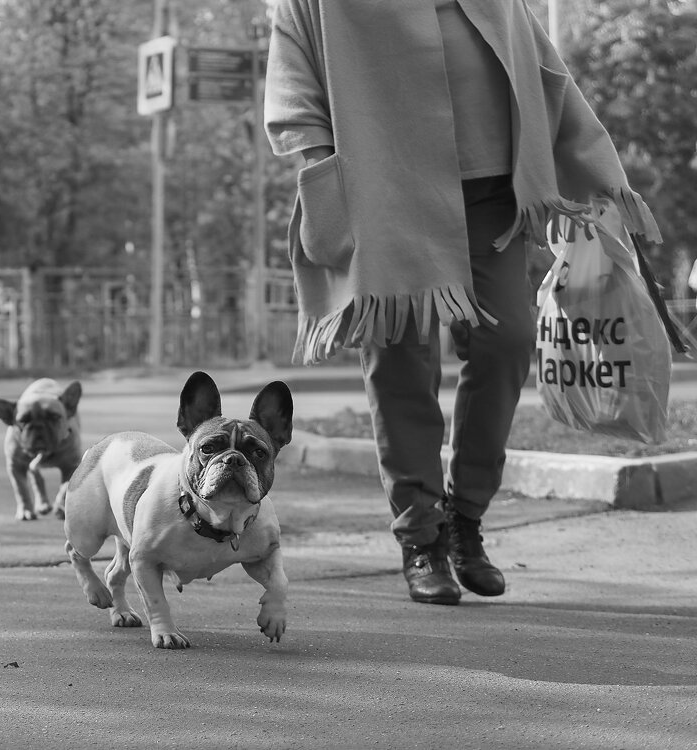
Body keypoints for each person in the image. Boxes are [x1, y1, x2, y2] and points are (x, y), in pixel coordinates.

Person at [263, 0, 661, 604]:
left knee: (507, 343)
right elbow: (293, 70)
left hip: (494, 190)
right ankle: (421, 535)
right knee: (400, 360)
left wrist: (596, 166)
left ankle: (465, 518)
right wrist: (324, 166)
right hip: (385, 187)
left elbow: (544, 69)